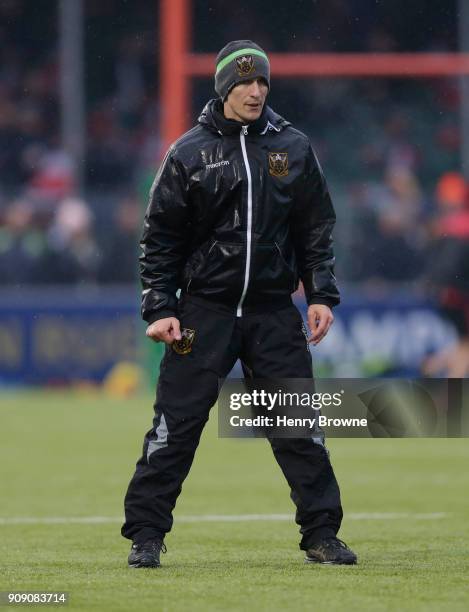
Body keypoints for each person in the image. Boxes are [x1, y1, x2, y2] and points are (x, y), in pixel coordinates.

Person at [121, 40, 357, 567]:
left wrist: (320, 294)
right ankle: (146, 536)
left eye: (263, 82)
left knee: (299, 428)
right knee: (175, 426)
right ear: (224, 87)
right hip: (204, 311)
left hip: (274, 311)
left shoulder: (294, 147)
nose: (256, 91)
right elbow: (160, 237)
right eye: (245, 82)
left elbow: (315, 227)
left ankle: (322, 534)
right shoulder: (187, 152)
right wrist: (160, 306)